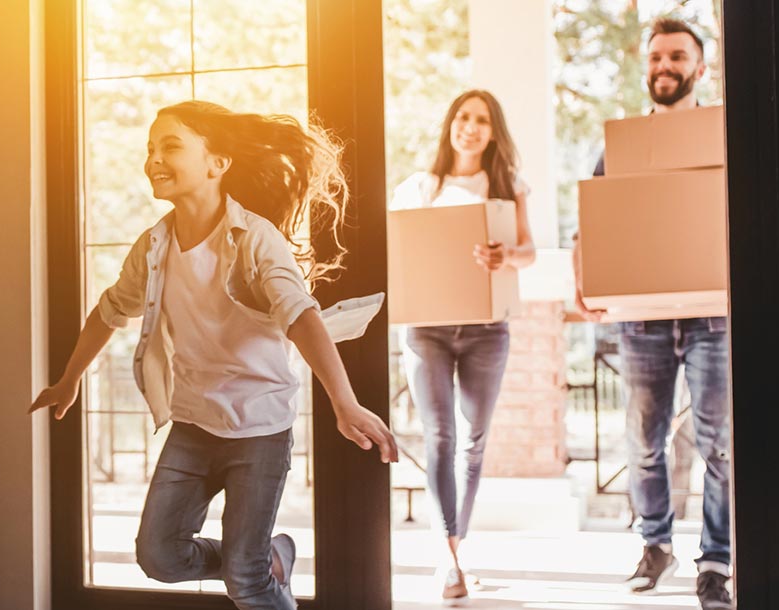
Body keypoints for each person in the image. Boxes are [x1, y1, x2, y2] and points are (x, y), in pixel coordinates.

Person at [29, 100, 398, 610]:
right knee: (158, 556)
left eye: (171, 146)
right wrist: (70, 378)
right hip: (194, 424)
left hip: (259, 430)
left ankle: (255, 565)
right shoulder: (154, 244)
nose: (154, 158)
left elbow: (302, 316)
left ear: (217, 163)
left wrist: (344, 403)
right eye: (150, 149)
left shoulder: (255, 239)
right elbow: (111, 309)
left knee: (245, 585)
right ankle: (265, 556)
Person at [572, 17, 733, 610]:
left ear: (700, 66)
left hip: (712, 314)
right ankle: (655, 543)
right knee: (643, 440)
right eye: (656, 57)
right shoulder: (617, 148)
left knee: (719, 444)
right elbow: (589, 225)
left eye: (677, 57)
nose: (664, 67)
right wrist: (583, 284)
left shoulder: (723, 137)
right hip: (640, 318)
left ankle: (715, 564)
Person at [389, 89, 537, 607]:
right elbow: (399, 250)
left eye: (481, 120)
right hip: (427, 329)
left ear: (493, 132)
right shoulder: (419, 188)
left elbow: (529, 251)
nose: (470, 127)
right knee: (440, 438)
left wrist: (505, 256)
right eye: (462, 117)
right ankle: (449, 557)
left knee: (473, 442)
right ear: (450, 124)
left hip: (486, 329)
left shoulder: (506, 185)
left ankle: (456, 548)